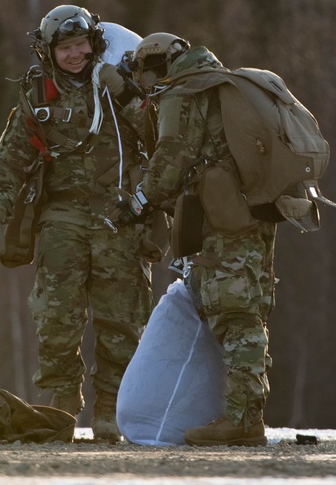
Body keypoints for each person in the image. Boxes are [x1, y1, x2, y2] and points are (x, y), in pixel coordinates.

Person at [0, 5, 156, 443]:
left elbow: (161, 136)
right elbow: (12, 159)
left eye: (81, 45)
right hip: (62, 217)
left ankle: (112, 411)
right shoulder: (37, 94)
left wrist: (128, 96)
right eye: (65, 48)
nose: (75, 55)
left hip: (121, 215)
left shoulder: (121, 81)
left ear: (94, 44)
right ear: (49, 52)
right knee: (56, 316)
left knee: (122, 321)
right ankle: (57, 409)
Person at [113, 33, 276, 447]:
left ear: (157, 67)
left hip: (223, 220)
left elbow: (170, 159)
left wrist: (138, 203)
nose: (145, 83)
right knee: (244, 308)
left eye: (144, 74)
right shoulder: (218, 85)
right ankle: (244, 414)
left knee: (234, 314)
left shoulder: (181, 93)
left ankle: (243, 419)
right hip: (253, 214)